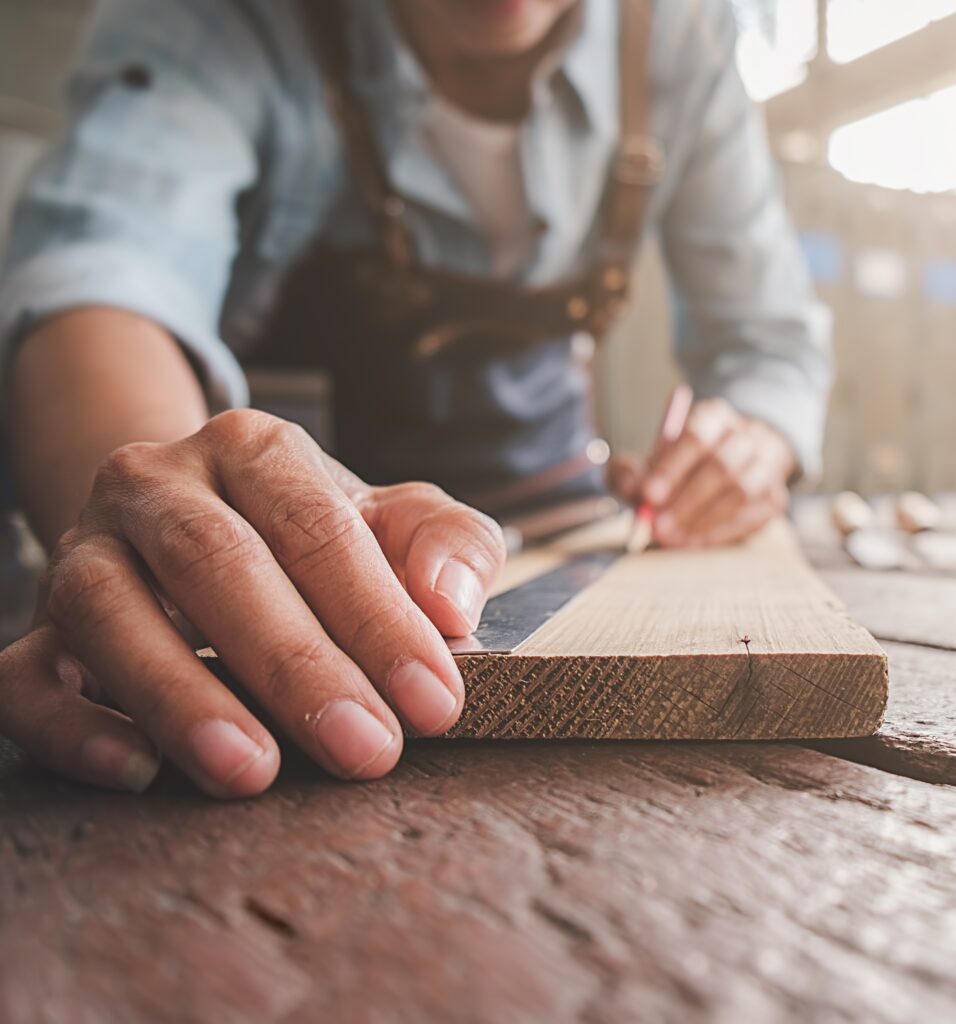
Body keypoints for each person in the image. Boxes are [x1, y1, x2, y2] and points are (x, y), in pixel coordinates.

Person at [0, 0, 831, 798]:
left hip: (564, 523)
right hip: (301, 553)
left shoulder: (682, 26)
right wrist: (180, 520)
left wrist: (756, 438)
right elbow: (106, 272)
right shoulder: (228, 18)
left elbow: (767, 341)